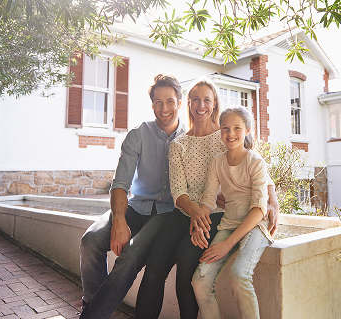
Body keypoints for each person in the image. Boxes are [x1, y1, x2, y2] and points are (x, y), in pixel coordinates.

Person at [135, 79, 279, 319]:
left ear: (214, 105)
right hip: (189, 210)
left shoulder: (225, 135)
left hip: (218, 214)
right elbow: (178, 189)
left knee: (187, 257)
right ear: (188, 104)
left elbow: (253, 165)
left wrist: (271, 198)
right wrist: (196, 213)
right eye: (196, 100)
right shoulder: (180, 143)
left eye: (207, 100)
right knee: (154, 266)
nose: (201, 105)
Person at [78, 74, 186, 319]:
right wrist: (118, 220)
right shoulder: (138, 134)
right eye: (158, 102)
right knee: (91, 240)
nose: (164, 108)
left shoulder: (190, 139)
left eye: (170, 101)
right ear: (152, 105)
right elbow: (120, 184)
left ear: (180, 102)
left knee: (131, 256)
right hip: (135, 207)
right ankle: (92, 305)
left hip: (167, 214)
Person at [191, 106, 273, 319]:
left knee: (239, 275)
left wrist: (227, 245)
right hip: (228, 225)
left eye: (237, 127)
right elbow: (208, 200)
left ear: (247, 130)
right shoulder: (217, 161)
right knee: (200, 282)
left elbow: (259, 209)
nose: (230, 133)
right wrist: (199, 224)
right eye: (225, 128)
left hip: (256, 226)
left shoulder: (256, 162)